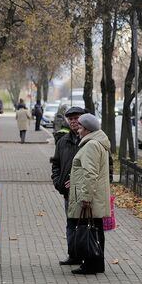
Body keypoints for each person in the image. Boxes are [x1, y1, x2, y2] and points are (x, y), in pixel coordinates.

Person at [68, 113, 111, 275]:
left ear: (87, 129)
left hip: (90, 197)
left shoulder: (91, 145)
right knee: (96, 230)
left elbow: (90, 173)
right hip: (96, 195)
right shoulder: (97, 142)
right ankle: (97, 263)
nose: (77, 130)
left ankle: (90, 264)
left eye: (79, 127)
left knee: (90, 230)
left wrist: (85, 197)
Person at [50, 106, 86, 266]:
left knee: (85, 224)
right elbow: (55, 163)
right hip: (68, 192)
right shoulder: (63, 141)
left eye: (76, 118)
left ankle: (87, 254)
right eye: (70, 119)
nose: (73, 121)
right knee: (71, 223)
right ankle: (73, 255)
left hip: (86, 191)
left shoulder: (89, 140)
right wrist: (58, 182)